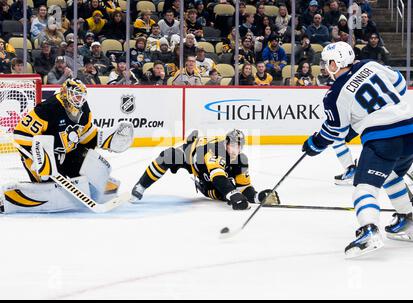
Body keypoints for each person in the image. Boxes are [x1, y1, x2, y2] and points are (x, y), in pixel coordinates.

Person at [301, 42, 412, 258]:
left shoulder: (334, 93)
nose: (325, 67)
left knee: (364, 189)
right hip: (410, 128)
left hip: (383, 139)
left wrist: (315, 143)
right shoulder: (369, 65)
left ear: (335, 63)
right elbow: (399, 84)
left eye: (327, 63)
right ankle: (408, 220)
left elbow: (334, 132)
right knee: (390, 176)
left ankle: (369, 230)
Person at [5, 78, 133, 213]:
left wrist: (104, 140)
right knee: (48, 182)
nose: (79, 99)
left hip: (67, 152)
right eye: (76, 95)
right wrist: (36, 156)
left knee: (90, 159)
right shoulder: (49, 108)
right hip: (43, 157)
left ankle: (97, 185)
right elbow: (21, 133)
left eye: (81, 96)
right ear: (65, 92)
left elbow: (85, 134)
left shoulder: (83, 107)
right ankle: (16, 197)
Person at [130, 129, 280, 210]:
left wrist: (258, 197)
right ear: (226, 143)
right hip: (190, 157)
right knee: (166, 156)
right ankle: (141, 185)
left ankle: (206, 186)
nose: (236, 149)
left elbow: (244, 187)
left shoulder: (242, 160)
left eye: (239, 146)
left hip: (205, 177)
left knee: (224, 194)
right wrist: (233, 194)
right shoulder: (215, 150)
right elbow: (218, 176)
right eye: (233, 145)